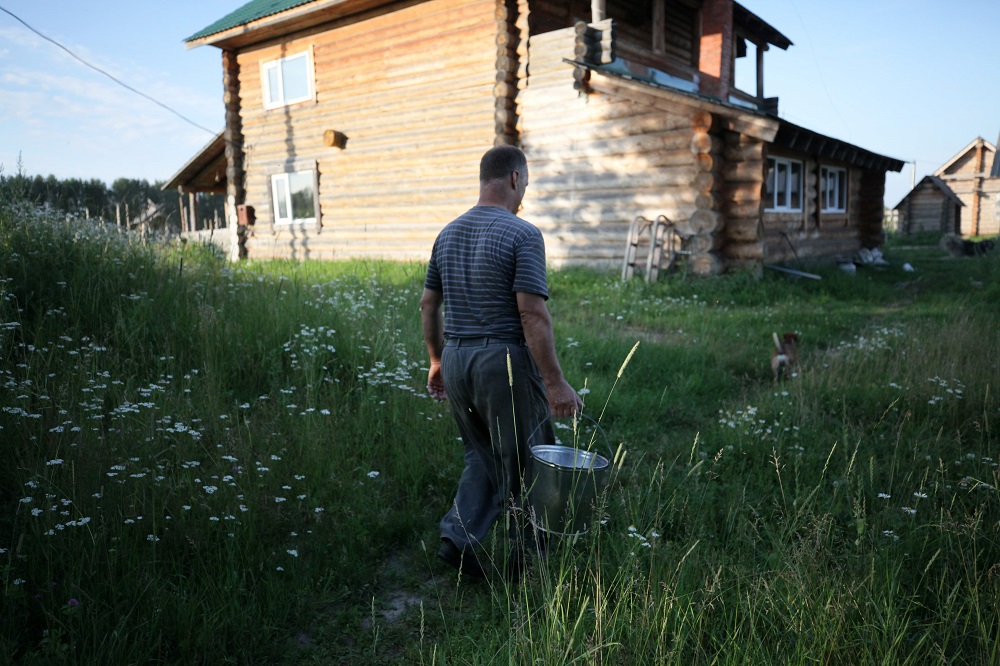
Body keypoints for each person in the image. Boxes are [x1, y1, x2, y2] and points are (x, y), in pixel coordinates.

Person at [420, 145, 583, 579]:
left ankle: (457, 536)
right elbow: (531, 312)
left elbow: (427, 305)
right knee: (530, 457)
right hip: (502, 362)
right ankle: (528, 560)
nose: (524, 192)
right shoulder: (523, 234)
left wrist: (437, 360)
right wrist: (555, 383)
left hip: (456, 359)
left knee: (481, 454)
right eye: (525, 183)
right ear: (514, 179)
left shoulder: (447, 233)